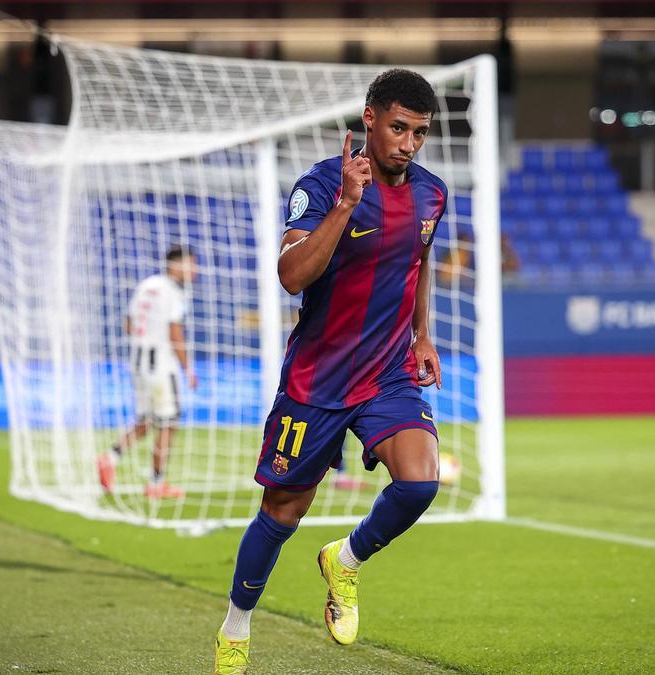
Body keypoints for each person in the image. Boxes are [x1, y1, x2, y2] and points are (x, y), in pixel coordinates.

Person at [214, 69, 446, 674]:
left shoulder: (432, 194)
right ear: (369, 117)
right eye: (399, 128)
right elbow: (292, 275)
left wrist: (423, 335)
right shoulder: (319, 185)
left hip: (389, 371)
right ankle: (236, 626)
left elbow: (418, 263)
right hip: (318, 379)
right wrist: (347, 203)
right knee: (283, 511)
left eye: (419, 133)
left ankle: (345, 559)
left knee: (420, 483)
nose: (408, 144)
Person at [98, 246, 198, 499]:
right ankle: (156, 483)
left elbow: (129, 325)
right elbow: (175, 332)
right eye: (191, 264)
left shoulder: (147, 285)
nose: (195, 270)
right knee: (168, 423)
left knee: (147, 421)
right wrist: (187, 368)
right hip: (161, 366)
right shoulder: (174, 292)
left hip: (138, 362)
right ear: (176, 265)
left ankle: (110, 457)